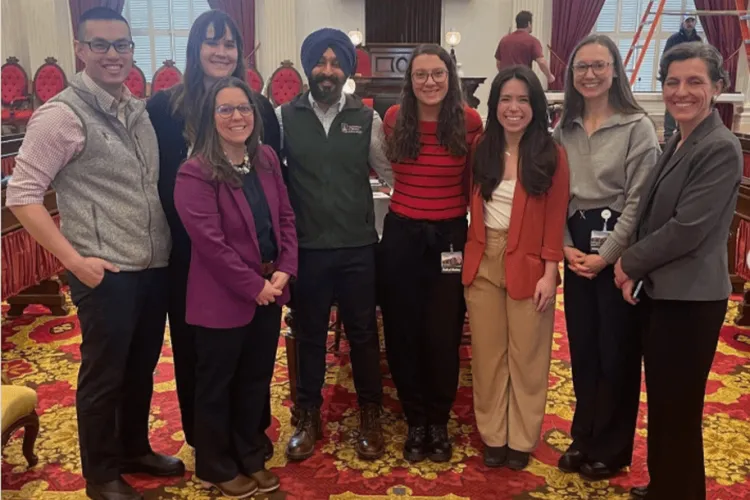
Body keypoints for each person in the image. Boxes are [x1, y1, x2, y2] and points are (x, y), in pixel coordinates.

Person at [5, 7, 183, 500]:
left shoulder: (137, 108)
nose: (112, 54)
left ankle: (134, 449)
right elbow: (21, 196)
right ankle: (101, 474)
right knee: (104, 375)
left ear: (132, 51)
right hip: (104, 271)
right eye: (100, 45)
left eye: (121, 45)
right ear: (80, 50)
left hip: (153, 265)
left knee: (140, 367)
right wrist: (75, 261)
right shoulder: (61, 114)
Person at [146, 8, 278, 457]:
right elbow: (153, 175)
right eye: (212, 42)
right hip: (188, 253)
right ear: (194, 48)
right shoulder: (164, 108)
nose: (221, 52)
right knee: (201, 353)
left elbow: (272, 183)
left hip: (251, 254)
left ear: (240, 52)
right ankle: (209, 443)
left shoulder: (258, 107)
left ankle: (250, 432)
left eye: (229, 44)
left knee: (255, 349)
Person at [615, 42, 741, 500]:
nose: (681, 91)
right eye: (672, 82)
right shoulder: (680, 137)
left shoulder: (720, 147)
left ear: (717, 89)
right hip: (665, 293)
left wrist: (628, 262)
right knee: (665, 405)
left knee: (679, 408)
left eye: (694, 82)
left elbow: (687, 229)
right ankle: (666, 485)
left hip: (692, 300)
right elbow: (651, 215)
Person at [174, 76, 297, 498]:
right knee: (216, 384)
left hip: (269, 289)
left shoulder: (264, 158)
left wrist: (284, 270)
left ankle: (249, 454)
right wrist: (254, 285)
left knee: (255, 379)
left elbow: (286, 220)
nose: (236, 116)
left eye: (243, 108)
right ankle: (214, 463)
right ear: (210, 117)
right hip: (222, 297)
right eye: (225, 109)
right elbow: (210, 245)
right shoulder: (196, 172)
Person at [277, 27, 393, 462]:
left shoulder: (367, 118)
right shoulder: (284, 116)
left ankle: (370, 414)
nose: (327, 71)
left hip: (357, 247)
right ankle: (307, 415)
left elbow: (391, 175)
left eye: (336, 62)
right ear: (308, 66)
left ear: (348, 69)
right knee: (308, 336)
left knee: (363, 335)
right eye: (320, 62)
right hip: (306, 249)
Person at [553, 34, 659, 480]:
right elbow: (552, 192)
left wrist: (608, 254)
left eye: (599, 66)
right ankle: (584, 435)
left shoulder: (638, 126)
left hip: (618, 248)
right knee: (584, 349)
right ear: (571, 75)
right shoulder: (564, 127)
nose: (590, 74)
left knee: (616, 351)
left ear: (615, 70)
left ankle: (612, 448)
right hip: (576, 243)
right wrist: (563, 244)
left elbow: (639, 200)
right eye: (582, 67)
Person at [379, 44, 483, 463]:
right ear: (410, 80)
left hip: (449, 239)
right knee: (403, 331)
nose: (429, 82)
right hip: (402, 235)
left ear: (450, 75)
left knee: (442, 332)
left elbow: (476, 183)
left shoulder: (470, 121)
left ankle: (438, 421)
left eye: (437, 73)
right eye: (420, 74)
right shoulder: (393, 119)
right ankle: (415, 419)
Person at [463, 65, 569, 470]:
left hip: (529, 263)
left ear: (535, 105)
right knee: (488, 356)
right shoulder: (482, 148)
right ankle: (494, 435)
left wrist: (549, 271)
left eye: (523, 100)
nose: (514, 107)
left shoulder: (550, 153)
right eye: (506, 99)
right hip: (484, 260)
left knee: (527, 355)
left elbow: (556, 214)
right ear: (495, 105)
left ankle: (522, 438)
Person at [662, 17, 702, 141]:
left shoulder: (698, 40)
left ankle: (683, 133)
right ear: (683, 23)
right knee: (671, 105)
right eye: (687, 21)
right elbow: (665, 59)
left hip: (691, 76)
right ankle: (668, 136)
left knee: (687, 105)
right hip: (674, 76)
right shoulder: (673, 39)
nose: (690, 24)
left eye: (692, 21)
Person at [495, 11, 554, 85]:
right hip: (522, 81)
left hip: (505, 82)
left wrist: (505, 75)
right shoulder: (532, 41)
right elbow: (541, 62)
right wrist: (549, 76)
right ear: (529, 24)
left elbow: (498, 63)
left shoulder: (504, 40)